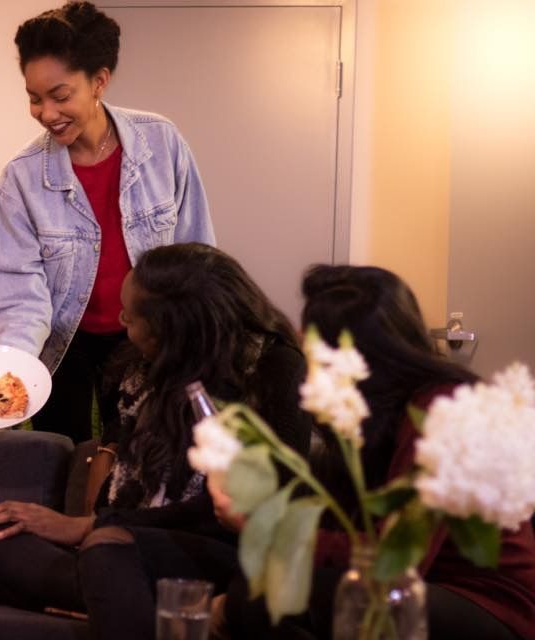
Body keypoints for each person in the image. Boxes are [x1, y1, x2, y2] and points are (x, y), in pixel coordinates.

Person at [0, 243, 311, 637]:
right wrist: (91, 526)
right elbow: (115, 469)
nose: (120, 319)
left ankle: (119, 595)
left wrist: (88, 527)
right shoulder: (139, 369)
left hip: (218, 549)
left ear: (169, 327)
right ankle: (146, 604)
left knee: (108, 552)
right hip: (122, 541)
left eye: (130, 315)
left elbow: (262, 505)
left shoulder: (273, 369)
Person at [219, 265, 535, 640]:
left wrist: (264, 529)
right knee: (251, 583)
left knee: (259, 595)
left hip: (487, 606)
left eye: (315, 345)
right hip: (419, 587)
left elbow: (396, 556)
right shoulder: (379, 412)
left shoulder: (443, 411)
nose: (307, 357)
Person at [0, 1, 217, 443]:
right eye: (34, 98)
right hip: (64, 344)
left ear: (99, 81)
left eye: (60, 96)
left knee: (139, 452)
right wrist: (14, 367)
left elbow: (196, 254)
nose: (46, 113)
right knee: (64, 453)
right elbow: (17, 292)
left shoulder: (161, 143)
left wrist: (196, 342)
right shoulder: (21, 179)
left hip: (148, 338)